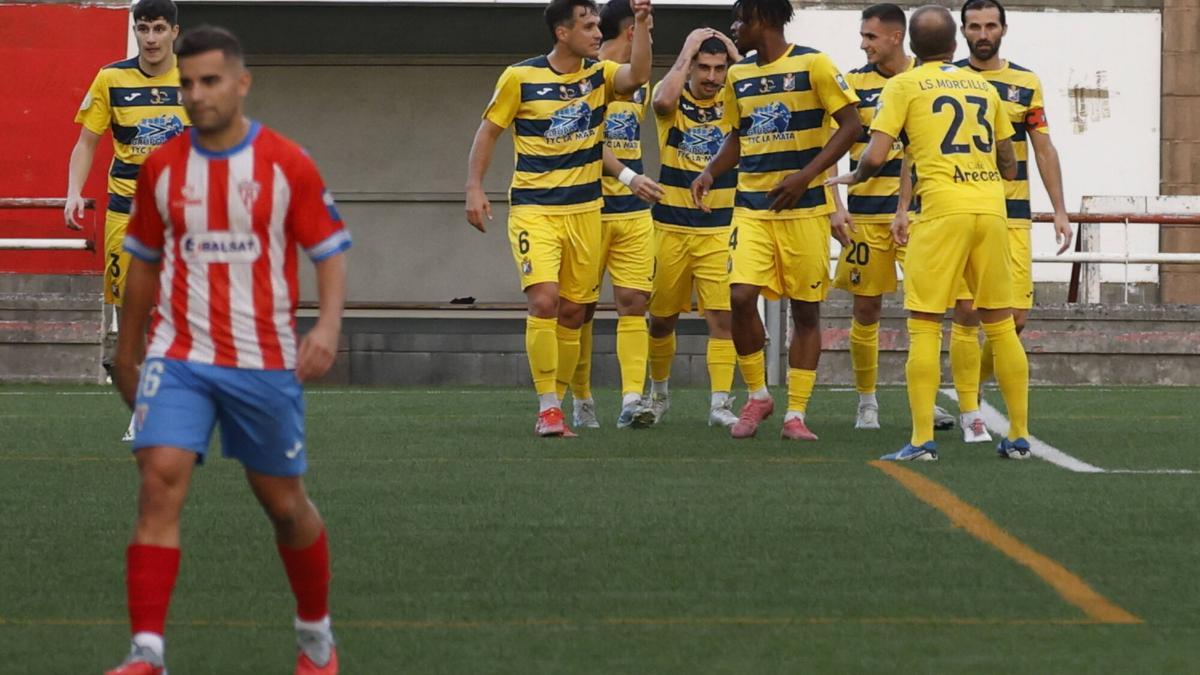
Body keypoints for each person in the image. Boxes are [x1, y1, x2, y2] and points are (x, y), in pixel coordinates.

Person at [106, 25, 348, 675]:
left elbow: (327, 250)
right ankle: (146, 650)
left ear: (241, 83)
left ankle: (315, 633)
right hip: (180, 353)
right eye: (186, 83)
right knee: (158, 482)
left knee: (284, 504)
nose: (196, 94)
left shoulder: (285, 162)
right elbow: (144, 267)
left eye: (209, 81)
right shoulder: (161, 167)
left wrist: (325, 326)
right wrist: (128, 353)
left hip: (262, 359)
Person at [830, 5, 1032, 462]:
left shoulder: (904, 84)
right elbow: (1009, 161)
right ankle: (1018, 437)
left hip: (941, 213)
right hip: (992, 211)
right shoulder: (983, 85)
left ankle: (922, 440)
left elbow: (877, 155)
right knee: (999, 326)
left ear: (911, 45)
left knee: (923, 326)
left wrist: (854, 178)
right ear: (955, 43)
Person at [465, 0, 653, 437]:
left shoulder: (599, 76)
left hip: (586, 212)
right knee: (544, 300)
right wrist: (474, 186)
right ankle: (548, 407)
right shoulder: (520, 77)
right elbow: (489, 130)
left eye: (598, 26)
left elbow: (638, 76)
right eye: (588, 26)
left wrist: (642, 24)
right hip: (535, 210)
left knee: (573, 311)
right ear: (562, 33)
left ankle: (562, 403)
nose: (596, 33)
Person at [691, 0, 862, 440]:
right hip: (751, 208)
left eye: (739, 20)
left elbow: (851, 124)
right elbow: (737, 136)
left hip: (804, 212)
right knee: (741, 296)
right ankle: (758, 395)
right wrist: (710, 170)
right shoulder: (739, 76)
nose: (735, 29)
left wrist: (806, 177)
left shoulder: (815, 64)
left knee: (805, 311)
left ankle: (796, 414)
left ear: (760, 19)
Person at [946, 0, 1073, 438]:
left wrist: (1059, 209)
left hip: (1012, 214)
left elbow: (1043, 146)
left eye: (990, 25)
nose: (983, 33)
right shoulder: (948, 80)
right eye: (975, 26)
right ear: (962, 31)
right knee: (966, 311)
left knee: (1014, 319)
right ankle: (969, 412)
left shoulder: (1024, 83)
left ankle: (972, 388)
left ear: (1004, 29)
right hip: (961, 210)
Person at [65, 0, 189, 441]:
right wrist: (74, 192)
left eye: (158, 28)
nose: (150, 38)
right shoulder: (110, 78)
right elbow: (86, 142)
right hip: (126, 212)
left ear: (175, 32)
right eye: (143, 28)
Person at [645, 28, 751, 428]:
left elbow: (758, 89)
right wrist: (686, 47)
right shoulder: (674, 98)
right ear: (690, 66)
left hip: (721, 227)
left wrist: (736, 54)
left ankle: (720, 403)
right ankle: (659, 396)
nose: (711, 76)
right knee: (661, 319)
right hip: (670, 225)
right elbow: (661, 100)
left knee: (723, 318)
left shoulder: (732, 99)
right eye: (703, 67)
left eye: (719, 68)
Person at [568, 0, 661, 429]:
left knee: (633, 303)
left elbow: (644, 74)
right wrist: (627, 176)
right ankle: (582, 400)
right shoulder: (589, 75)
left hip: (633, 211)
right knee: (579, 309)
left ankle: (631, 400)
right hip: (590, 206)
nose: (649, 32)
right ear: (628, 31)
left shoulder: (637, 80)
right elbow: (586, 138)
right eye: (643, 26)